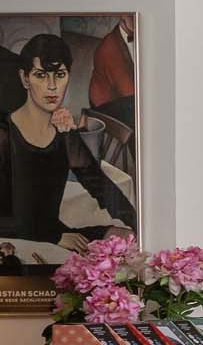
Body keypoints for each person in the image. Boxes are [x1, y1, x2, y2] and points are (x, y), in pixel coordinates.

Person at [0, 33, 138, 254]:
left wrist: (137, 222)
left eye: (60, 75)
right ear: (25, 79)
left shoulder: (64, 133)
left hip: (56, 234)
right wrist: (54, 237)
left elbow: (98, 184)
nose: (52, 86)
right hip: (18, 242)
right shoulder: (5, 135)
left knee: (126, 238)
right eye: (41, 75)